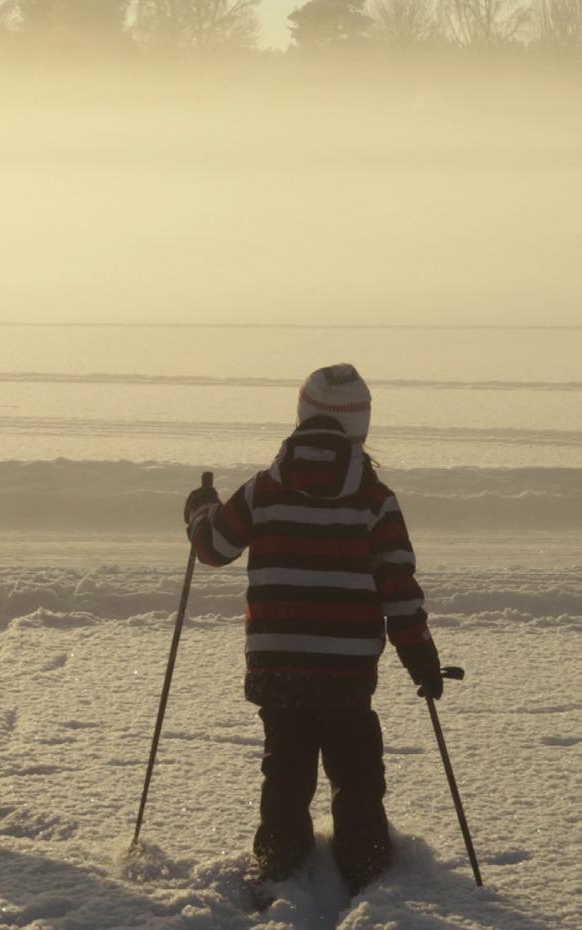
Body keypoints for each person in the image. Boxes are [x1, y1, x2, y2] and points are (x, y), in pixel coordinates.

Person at [184, 363, 442, 894]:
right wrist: (421, 658)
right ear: (361, 426)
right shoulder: (375, 500)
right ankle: (366, 863)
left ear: (303, 415)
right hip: (347, 668)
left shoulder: (263, 490)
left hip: (277, 660)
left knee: (287, 765)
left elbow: (215, 548)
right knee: (356, 769)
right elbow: (399, 588)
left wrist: (200, 512)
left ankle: (280, 859)